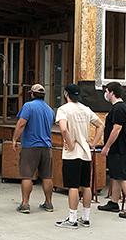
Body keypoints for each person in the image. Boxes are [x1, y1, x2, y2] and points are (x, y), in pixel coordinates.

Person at [54, 84, 104, 229]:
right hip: (85, 153)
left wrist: (69, 144)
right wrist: (93, 143)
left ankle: (72, 218)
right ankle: (86, 217)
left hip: (72, 154)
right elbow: (100, 125)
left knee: (73, 186)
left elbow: (63, 128)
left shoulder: (64, 109)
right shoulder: (85, 109)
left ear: (65, 94)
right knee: (86, 186)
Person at [97, 82, 126, 218]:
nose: (105, 94)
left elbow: (117, 129)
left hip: (119, 149)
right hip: (116, 149)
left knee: (123, 177)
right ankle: (114, 202)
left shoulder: (119, 108)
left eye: (106, 91)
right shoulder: (118, 108)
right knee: (115, 176)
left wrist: (107, 146)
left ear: (112, 92)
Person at [11, 84, 55, 214]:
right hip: (47, 147)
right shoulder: (50, 110)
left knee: (27, 176)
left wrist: (14, 139)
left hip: (31, 146)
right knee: (47, 176)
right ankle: (48, 203)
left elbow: (22, 123)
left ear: (32, 94)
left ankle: (25, 204)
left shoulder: (28, 106)